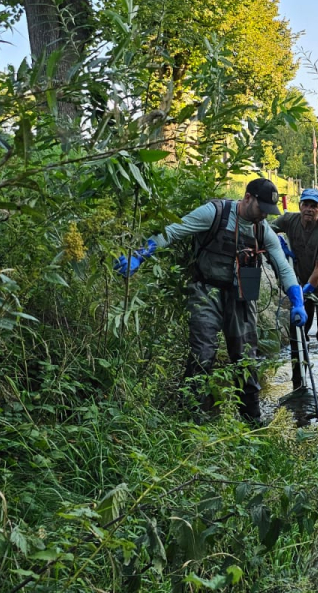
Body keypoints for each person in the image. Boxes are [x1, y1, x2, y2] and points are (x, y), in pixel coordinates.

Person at [115, 178, 305, 424]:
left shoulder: (263, 230)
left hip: (242, 295)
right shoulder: (214, 213)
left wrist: (297, 300)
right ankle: (191, 418)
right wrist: (140, 256)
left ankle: (252, 422)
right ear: (248, 198)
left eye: (269, 213)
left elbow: (283, 268)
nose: (263, 217)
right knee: (202, 355)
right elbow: (172, 231)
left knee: (246, 359)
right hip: (207, 290)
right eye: (261, 210)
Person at [272, 187, 318, 393]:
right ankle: (298, 380)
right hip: (300, 282)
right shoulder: (289, 220)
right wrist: (277, 243)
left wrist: (303, 294)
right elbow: (266, 230)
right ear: (300, 205)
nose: (309, 209)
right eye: (306, 204)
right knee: (298, 332)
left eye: (314, 206)